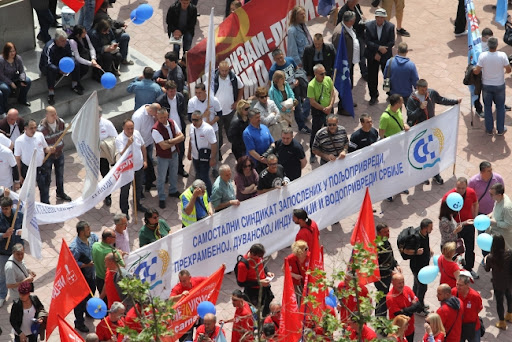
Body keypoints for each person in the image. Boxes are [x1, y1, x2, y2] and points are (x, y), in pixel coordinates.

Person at [473, 37, 511, 135]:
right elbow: (509, 69)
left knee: (487, 107)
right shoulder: (502, 55)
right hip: (499, 85)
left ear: (488, 45)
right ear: (497, 45)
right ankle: (500, 129)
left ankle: (489, 129)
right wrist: (505, 71)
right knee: (500, 107)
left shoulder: (483, 56)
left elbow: (477, 71)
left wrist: (472, 69)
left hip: (486, 85)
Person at [442, 178, 478, 278]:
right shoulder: (448, 197)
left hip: (468, 225)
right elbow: (443, 213)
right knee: (452, 250)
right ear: (455, 186)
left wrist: (474, 217)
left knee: (470, 248)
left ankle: (469, 269)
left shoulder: (471, 193)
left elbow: (476, 203)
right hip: (454, 227)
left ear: (466, 187)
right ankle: (452, 270)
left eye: (463, 188)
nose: (460, 190)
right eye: (458, 188)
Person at [268, 49, 311, 134]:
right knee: (285, 115)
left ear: (283, 55)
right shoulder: (273, 70)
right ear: (274, 59)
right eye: (277, 59)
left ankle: (301, 126)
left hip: (294, 89)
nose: (280, 60)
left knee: (297, 108)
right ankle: (287, 132)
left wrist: (297, 78)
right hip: (283, 94)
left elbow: (297, 69)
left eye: (281, 57)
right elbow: (271, 83)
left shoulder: (290, 60)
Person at [14, 119, 54, 204]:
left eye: (35, 127)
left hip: (41, 167)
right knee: (29, 192)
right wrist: (19, 175)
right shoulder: (19, 141)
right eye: (31, 128)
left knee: (44, 188)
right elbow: (17, 159)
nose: (34, 130)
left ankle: (45, 206)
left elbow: (45, 148)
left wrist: (50, 149)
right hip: (28, 169)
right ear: (25, 128)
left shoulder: (40, 135)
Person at [39, 29, 83, 105]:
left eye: (65, 40)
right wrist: (59, 70)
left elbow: (72, 55)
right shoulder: (49, 47)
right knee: (50, 71)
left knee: (75, 63)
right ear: (56, 40)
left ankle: (75, 85)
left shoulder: (67, 43)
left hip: (62, 63)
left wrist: (70, 64)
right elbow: (48, 63)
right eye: (62, 41)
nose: (65, 43)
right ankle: (51, 93)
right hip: (50, 66)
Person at [116, 119, 148, 220]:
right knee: (125, 190)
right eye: (128, 129)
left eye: (132, 128)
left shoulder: (137, 133)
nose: (130, 131)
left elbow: (143, 147)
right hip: (127, 169)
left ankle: (137, 204)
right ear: (123, 128)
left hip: (138, 167)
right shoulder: (119, 139)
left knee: (138, 188)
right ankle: (124, 211)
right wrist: (128, 144)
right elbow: (121, 153)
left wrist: (145, 160)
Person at [152, 107, 184, 209]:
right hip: (163, 157)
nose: (163, 119)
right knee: (161, 177)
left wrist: (169, 141)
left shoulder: (172, 122)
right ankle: (161, 197)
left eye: (165, 117)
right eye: (161, 117)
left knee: (174, 173)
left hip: (174, 153)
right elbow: (163, 146)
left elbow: (182, 137)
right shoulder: (155, 130)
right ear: (157, 117)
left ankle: (173, 190)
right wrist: (175, 140)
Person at [38, 106, 72, 202]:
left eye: (55, 114)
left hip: (59, 153)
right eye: (52, 115)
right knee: (47, 179)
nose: (55, 116)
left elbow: (62, 134)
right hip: (48, 157)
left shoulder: (60, 122)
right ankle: (46, 199)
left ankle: (60, 193)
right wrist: (47, 150)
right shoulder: (41, 129)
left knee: (60, 175)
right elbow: (40, 145)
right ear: (46, 115)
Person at [70, 221, 98, 333]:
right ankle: (79, 322)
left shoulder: (93, 237)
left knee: (91, 294)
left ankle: (89, 311)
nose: (89, 231)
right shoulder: (74, 247)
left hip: (92, 274)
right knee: (80, 302)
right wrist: (85, 264)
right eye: (87, 229)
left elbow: (96, 246)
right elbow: (72, 263)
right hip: (81, 278)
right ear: (81, 232)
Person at [401, 218, 433, 316]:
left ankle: (414, 302)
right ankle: (419, 309)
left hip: (423, 265)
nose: (432, 229)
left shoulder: (425, 234)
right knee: (422, 287)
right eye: (430, 228)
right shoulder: (415, 238)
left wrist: (429, 249)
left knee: (416, 285)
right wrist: (416, 252)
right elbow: (405, 250)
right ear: (425, 228)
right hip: (417, 267)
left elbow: (426, 243)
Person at [157, 80, 188, 178]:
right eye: (171, 91)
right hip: (167, 129)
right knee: (167, 151)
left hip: (179, 127)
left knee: (181, 149)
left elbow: (183, 109)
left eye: (174, 90)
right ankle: (166, 173)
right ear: (166, 90)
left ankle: (180, 168)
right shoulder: (161, 100)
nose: (173, 93)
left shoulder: (180, 97)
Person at [365, 8, 395, 105]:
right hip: (372, 56)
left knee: (387, 76)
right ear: (375, 17)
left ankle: (389, 93)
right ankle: (373, 95)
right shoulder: (369, 26)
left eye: (382, 18)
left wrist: (381, 53)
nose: (380, 20)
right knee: (372, 77)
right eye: (378, 17)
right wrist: (377, 49)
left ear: (384, 18)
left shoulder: (390, 27)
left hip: (385, 56)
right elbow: (368, 41)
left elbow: (391, 42)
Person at [236, 243, 275, 316]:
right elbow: (241, 283)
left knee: (266, 310)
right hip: (252, 292)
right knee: (253, 313)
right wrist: (259, 282)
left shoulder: (259, 256)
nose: (260, 258)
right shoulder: (243, 265)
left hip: (264, 288)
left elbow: (262, 263)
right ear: (253, 254)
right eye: (259, 257)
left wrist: (267, 272)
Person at [214, 61, 244, 152]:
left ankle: (235, 150)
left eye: (226, 70)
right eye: (222, 71)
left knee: (231, 131)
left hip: (230, 111)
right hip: (217, 112)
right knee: (217, 133)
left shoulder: (233, 78)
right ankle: (218, 152)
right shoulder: (212, 79)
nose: (224, 73)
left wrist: (237, 101)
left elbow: (241, 87)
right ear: (219, 69)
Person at [484, 234, 512, 329]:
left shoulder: (491, 257)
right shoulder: (509, 253)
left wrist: (485, 261)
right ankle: (510, 315)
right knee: (509, 298)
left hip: (498, 283)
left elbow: (487, 269)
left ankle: (502, 322)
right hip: (509, 282)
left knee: (499, 302)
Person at [308, 64, 335, 159]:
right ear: (315, 74)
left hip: (329, 110)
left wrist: (330, 106)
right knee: (316, 132)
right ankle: (313, 152)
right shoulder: (311, 85)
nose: (323, 75)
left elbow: (332, 93)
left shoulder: (328, 79)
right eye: (321, 74)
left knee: (332, 129)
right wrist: (323, 109)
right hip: (318, 112)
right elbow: (312, 102)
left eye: (324, 73)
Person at [188, 110, 218, 195]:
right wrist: (189, 152)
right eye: (192, 119)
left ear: (201, 119)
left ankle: (210, 194)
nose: (194, 122)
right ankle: (199, 194)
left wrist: (212, 158)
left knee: (204, 177)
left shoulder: (208, 129)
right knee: (198, 175)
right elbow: (191, 140)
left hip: (205, 157)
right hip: (195, 157)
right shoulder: (191, 127)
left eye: (196, 120)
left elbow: (213, 144)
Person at [336, 0, 367, 80]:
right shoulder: (343, 11)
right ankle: (350, 78)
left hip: (359, 34)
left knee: (362, 56)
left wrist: (363, 18)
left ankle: (364, 73)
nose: (356, 2)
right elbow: (339, 25)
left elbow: (360, 14)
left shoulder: (357, 6)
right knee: (351, 60)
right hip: (350, 37)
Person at [375, 223, 401, 317]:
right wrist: (390, 271)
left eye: (388, 231)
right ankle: (380, 322)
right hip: (381, 278)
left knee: (384, 298)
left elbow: (390, 256)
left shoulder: (386, 242)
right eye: (385, 232)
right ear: (379, 233)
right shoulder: (376, 247)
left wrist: (396, 264)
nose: (387, 233)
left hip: (388, 276)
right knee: (382, 301)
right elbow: (378, 265)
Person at [92, 229, 124, 303]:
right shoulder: (113, 253)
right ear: (108, 239)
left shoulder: (95, 245)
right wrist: (121, 255)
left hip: (98, 278)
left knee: (103, 300)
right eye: (114, 237)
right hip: (108, 280)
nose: (116, 238)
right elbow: (122, 265)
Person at [386, 273, 420, 342]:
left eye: (403, 282)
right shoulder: (390, 297)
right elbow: (399, 315)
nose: (402, 285)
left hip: (410, 328)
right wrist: (412, 307)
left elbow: (418, 305)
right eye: (399, 283)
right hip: (399, 331)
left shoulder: (407, 289)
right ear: (393, 283)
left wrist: (405, 310)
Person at [0, 42, 31, 116]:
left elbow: (22, 71)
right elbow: (1, 75)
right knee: (5, 89)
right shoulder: (1, 61)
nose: (12, 53)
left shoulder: (18, 58)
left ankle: (22, 99)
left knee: (28, 81)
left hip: (14, 76)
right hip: (3, 79)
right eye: (10, 51)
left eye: (13, 51)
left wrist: (22, 79)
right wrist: (10, 83)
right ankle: (5, 105)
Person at [452, 272, 483, 341]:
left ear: (467, 285)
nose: (458, 287)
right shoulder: (453, 292)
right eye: (457, 284)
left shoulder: (475, 296)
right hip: (458, 326)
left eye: (461, 285)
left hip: (472, 327)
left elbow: (479, 308)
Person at [243, 109, 274, 173]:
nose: (259, 119)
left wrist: (269, 152)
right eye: (257, 118)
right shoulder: (247, 133)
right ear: (250, 119)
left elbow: (272, 142)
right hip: (257, 165)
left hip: (268, 161)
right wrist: (264, 160)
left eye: (259, 117)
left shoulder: (264, 127)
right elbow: (251, 151)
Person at [99, 110, 118, 206]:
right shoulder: (88, 125)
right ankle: (105, 195)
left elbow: (115, 137)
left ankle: (108, 195)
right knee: (99, 175)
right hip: (95, 155)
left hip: (106, 154)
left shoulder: (107, 123)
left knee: (108, 175)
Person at [489, 183, 512, 249]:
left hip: (504, 241)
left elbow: (508, 225)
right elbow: (496, 210)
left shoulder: (506, 207)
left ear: (499, 195)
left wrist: (496, 223)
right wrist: (490, 215)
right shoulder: (498, 199)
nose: (490, 196)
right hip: (495, 235)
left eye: (491, 195)